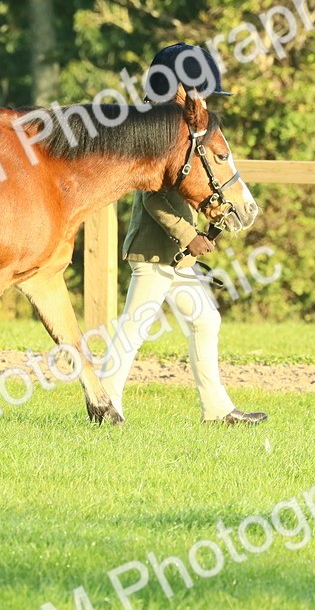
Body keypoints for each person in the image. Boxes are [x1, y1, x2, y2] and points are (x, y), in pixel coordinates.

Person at [100, 44, 268, 425]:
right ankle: (106, 403)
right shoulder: (155, 131)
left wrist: (211, 214)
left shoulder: (181, 132)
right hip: (156, 251)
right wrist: (189, 234)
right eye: (198, 92)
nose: (203, 100)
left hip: (177, 257)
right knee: (135, 325)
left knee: (205, 320)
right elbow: (152, 199)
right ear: (178, 89)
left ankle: (217, 409)